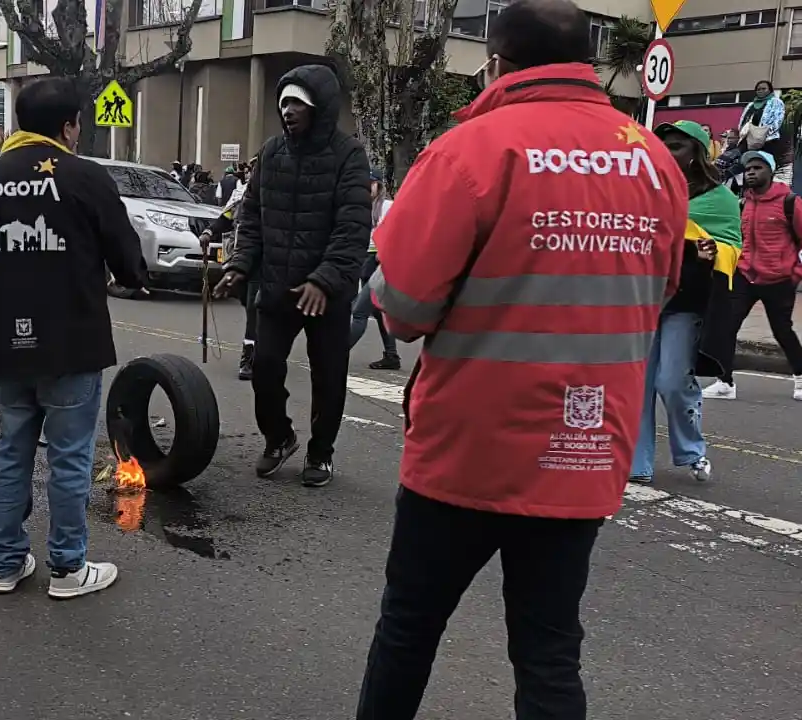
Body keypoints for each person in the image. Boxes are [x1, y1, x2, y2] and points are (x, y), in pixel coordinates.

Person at [354, 2, 688, 717]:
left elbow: (404, 309)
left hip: (465, 454)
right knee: (548, 651)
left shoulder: (470, 149)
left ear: (498, 62)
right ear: (588, 65)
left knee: (409, 630)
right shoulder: (652, 159)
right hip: (584, 453)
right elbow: (660, 290)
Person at [0, 76, 147, 599]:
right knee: (70, 456)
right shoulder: (84, 176)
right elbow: (129, 262)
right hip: (71, 341)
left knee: (12, 450)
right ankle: (66, 567)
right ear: (68, 126)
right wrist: (125, 275)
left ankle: (6, 563)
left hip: (3, 344)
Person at [214, 63, 371, 489]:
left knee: (328, 377)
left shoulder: (349, 155)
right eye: (283, 102)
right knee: (263, 367)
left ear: (319, 107)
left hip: (327, 293)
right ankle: (279, 437)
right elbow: (252, 220)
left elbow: (353, 227)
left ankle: (321, 453)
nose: (288, 110)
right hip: (279, 288)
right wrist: (238, 265)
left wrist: (325, 280)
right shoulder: (270, 153)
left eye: (297, 103)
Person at [630, 121, 741, 486]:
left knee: (672, 383)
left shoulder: (720, 199)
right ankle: (637, 464)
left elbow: (733, 246)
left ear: (697, 153)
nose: (667, 151)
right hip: (642, 300)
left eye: (677, 146)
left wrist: (713, 250)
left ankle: (692, 450)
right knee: (637, 386)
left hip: (685, 302)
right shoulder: (645, 190)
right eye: (662, 145)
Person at [702, 149, 802, 401]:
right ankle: (725, 382)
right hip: (746, 275)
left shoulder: (790, 202)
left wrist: (795, 273)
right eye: (748, 169)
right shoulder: (743, 203)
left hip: (779, 279)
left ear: (770, 171)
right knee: (726, 326)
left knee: (782, 330)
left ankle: (800, 378)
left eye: (757, 168)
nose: (751, 173)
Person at [200, 156, 258, 380]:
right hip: (238, 255)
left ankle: (249, 357)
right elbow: (225, 218)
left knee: (254, 306)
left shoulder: (274, 194)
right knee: (246, 302)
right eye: (251, 169)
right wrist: (208, 232)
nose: (253, 173)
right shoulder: (240, 194)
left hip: (263, 259)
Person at [348, 167, 399, 369]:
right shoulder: (360, 207)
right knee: (378, 311)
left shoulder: (387, 206)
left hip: (381, 263)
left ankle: (335, 353)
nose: (367, 187)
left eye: (371, 183)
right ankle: (392, 356)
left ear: (379, 185)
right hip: (364, 261)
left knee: (359, 311)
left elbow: (399, 233)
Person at [738, 80, 785, 165]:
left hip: (768, 140)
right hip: (749, 140)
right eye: (758, 89)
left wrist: (765, 134)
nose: (761, 91)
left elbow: (778, 120)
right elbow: (742, 120)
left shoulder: (776, 102)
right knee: (747, 163)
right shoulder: (751, 105)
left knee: (763, 164)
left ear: (770, 90)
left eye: (764, 89)